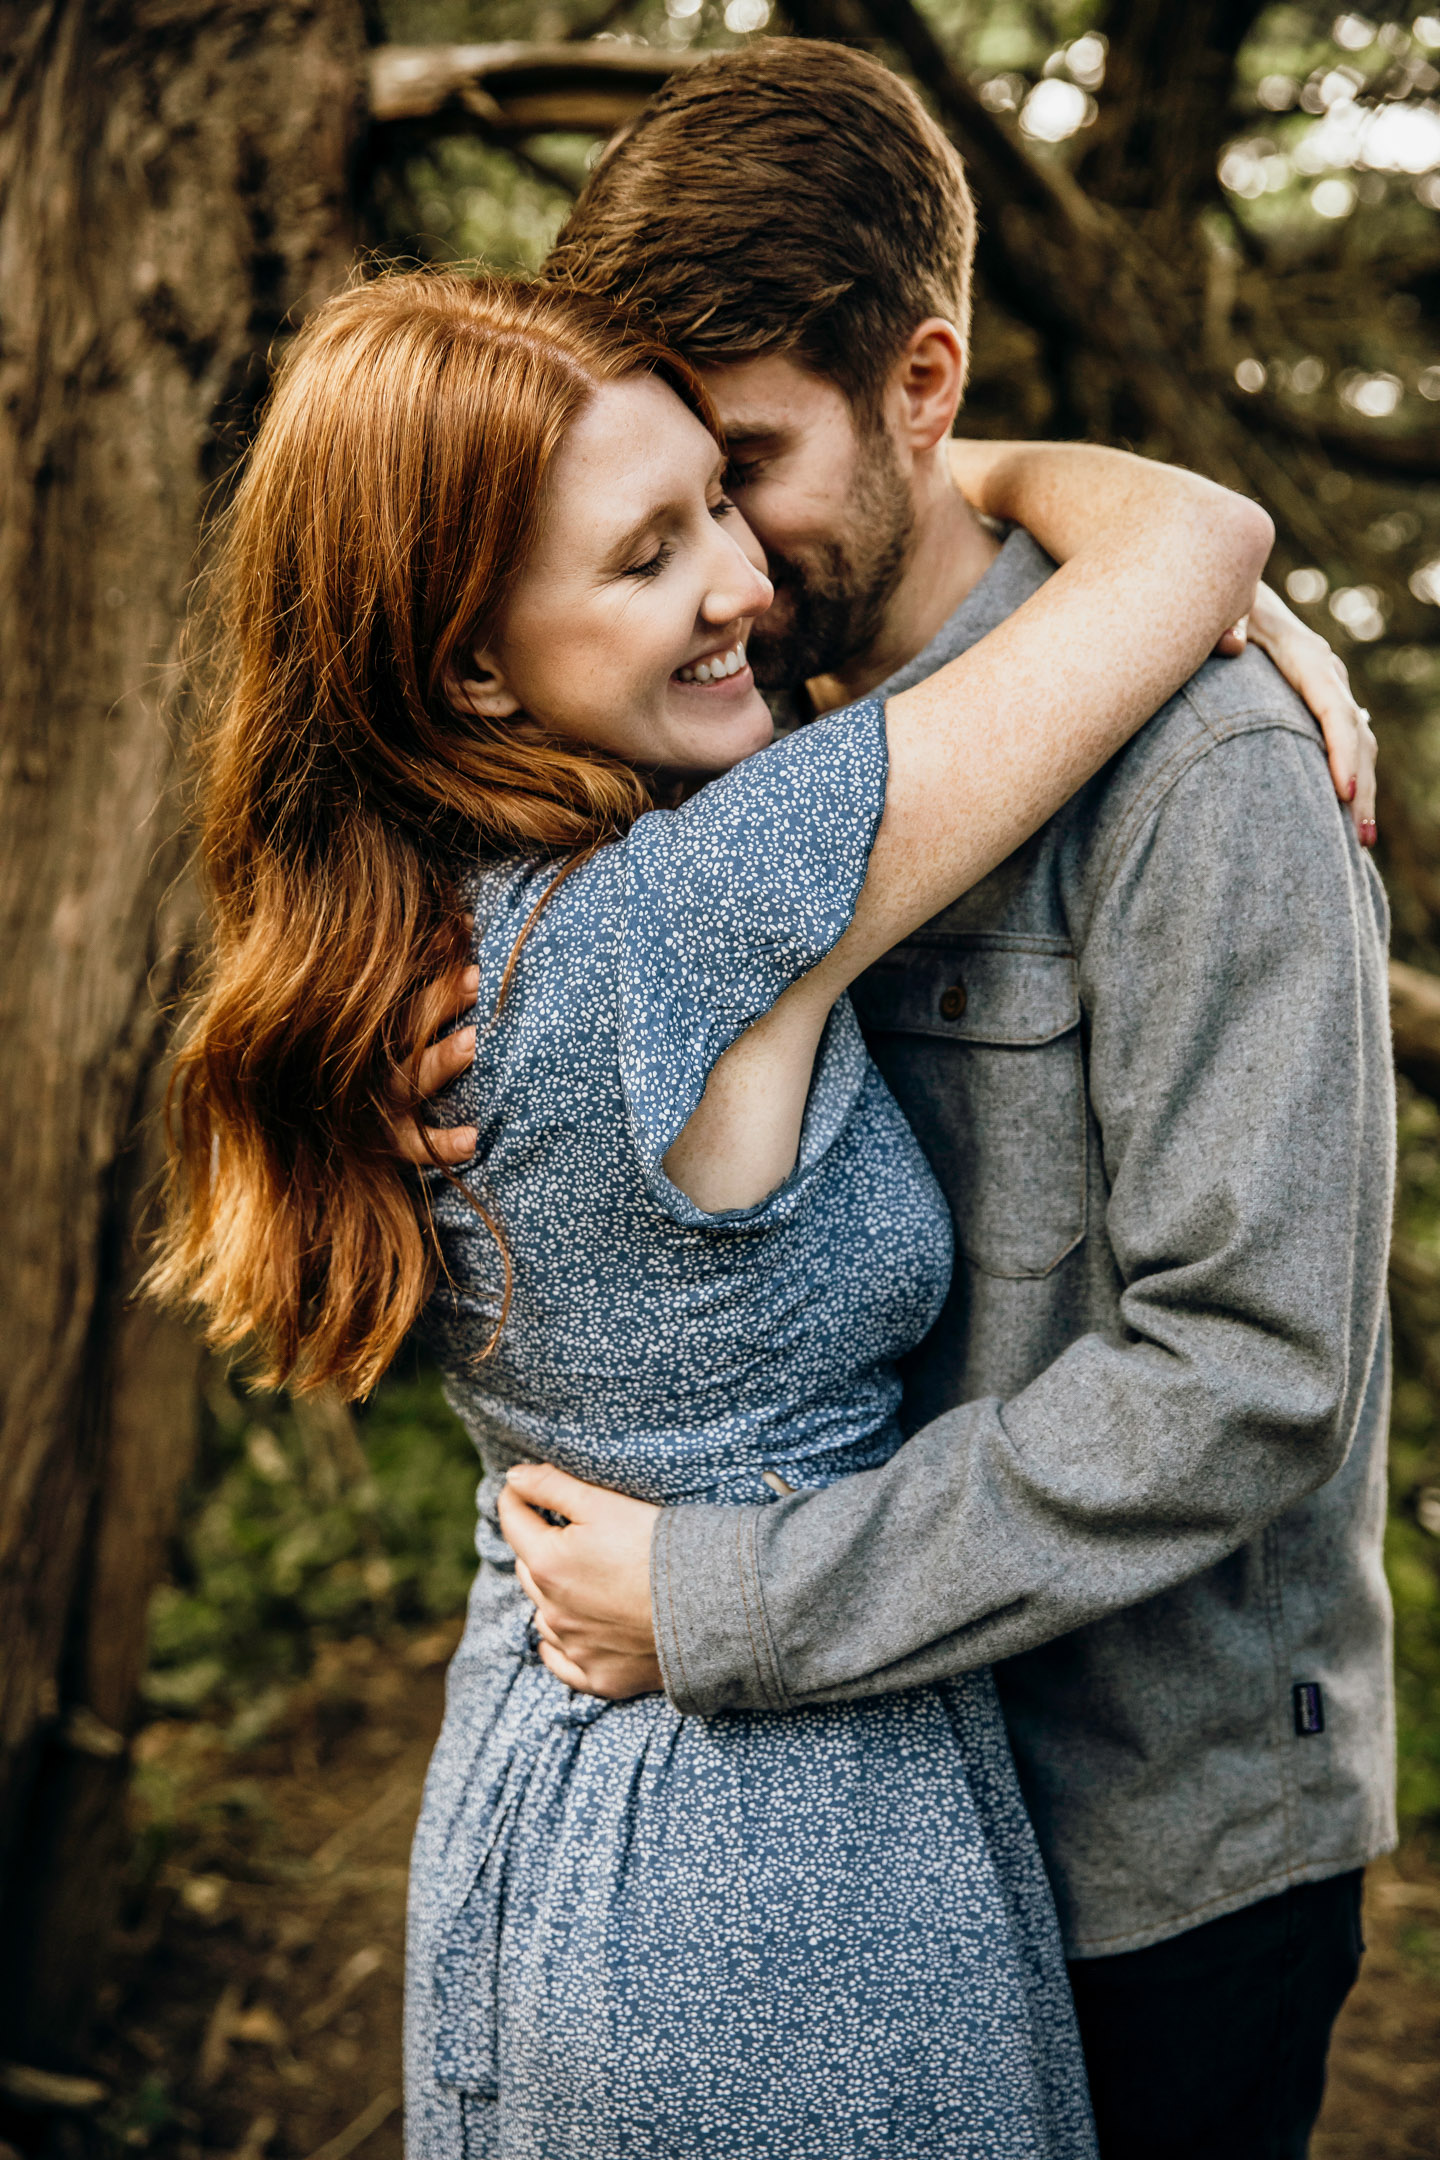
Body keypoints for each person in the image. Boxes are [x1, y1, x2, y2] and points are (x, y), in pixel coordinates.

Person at [155, 258, 1301, 2156]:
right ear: (461, 661)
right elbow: (1201, 535)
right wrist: (965, 469)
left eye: (722, 497)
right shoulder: (695, 916)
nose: (749, 583)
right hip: (779, 1879)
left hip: (541, 1808)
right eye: (647, 553)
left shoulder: (394, 941)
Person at [404, 41, 1394, 2160]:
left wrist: (727, 1603)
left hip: (1138, 1835)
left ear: (921, 386)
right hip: (832, 1823)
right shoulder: (745, 748)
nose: (728, 564)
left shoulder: (1203, 771)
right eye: (668, 494)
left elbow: (1250, 1374)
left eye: (743, 462)